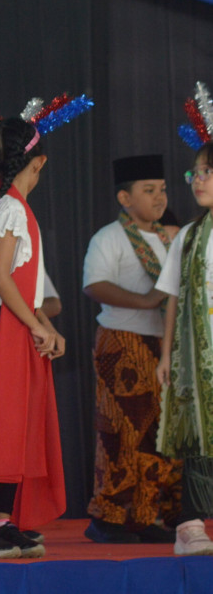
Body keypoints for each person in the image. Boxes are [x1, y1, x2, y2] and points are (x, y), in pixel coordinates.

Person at [0, 117, 67, 559]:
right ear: (38, 163)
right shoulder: (12, 208)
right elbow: (1, 279)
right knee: (5, 424)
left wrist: (46, 325)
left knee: (18, 423)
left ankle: (1, 519)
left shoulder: (11, 206)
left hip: (11, 319)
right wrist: (38, 325)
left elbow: (23, 286)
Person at [83, 155, 180, 544]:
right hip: (122, 343)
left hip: (163, 345)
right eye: (148, 190)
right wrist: (145, 301)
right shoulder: (109, 237)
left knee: (158, 433)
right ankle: (108, 517)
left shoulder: (172, 238)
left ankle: (144, 516)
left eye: (163, 189)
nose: (159, 197)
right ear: (125, 198)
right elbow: (94, 285)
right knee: (121, 432)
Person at [155, 140, 213, 556]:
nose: (198, 180)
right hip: (197, 358)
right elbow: (173, 298)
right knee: (197, 434)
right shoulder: (188, 237)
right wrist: (166, 355)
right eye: (195, 173)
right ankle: (190, 525)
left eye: (208, 172)